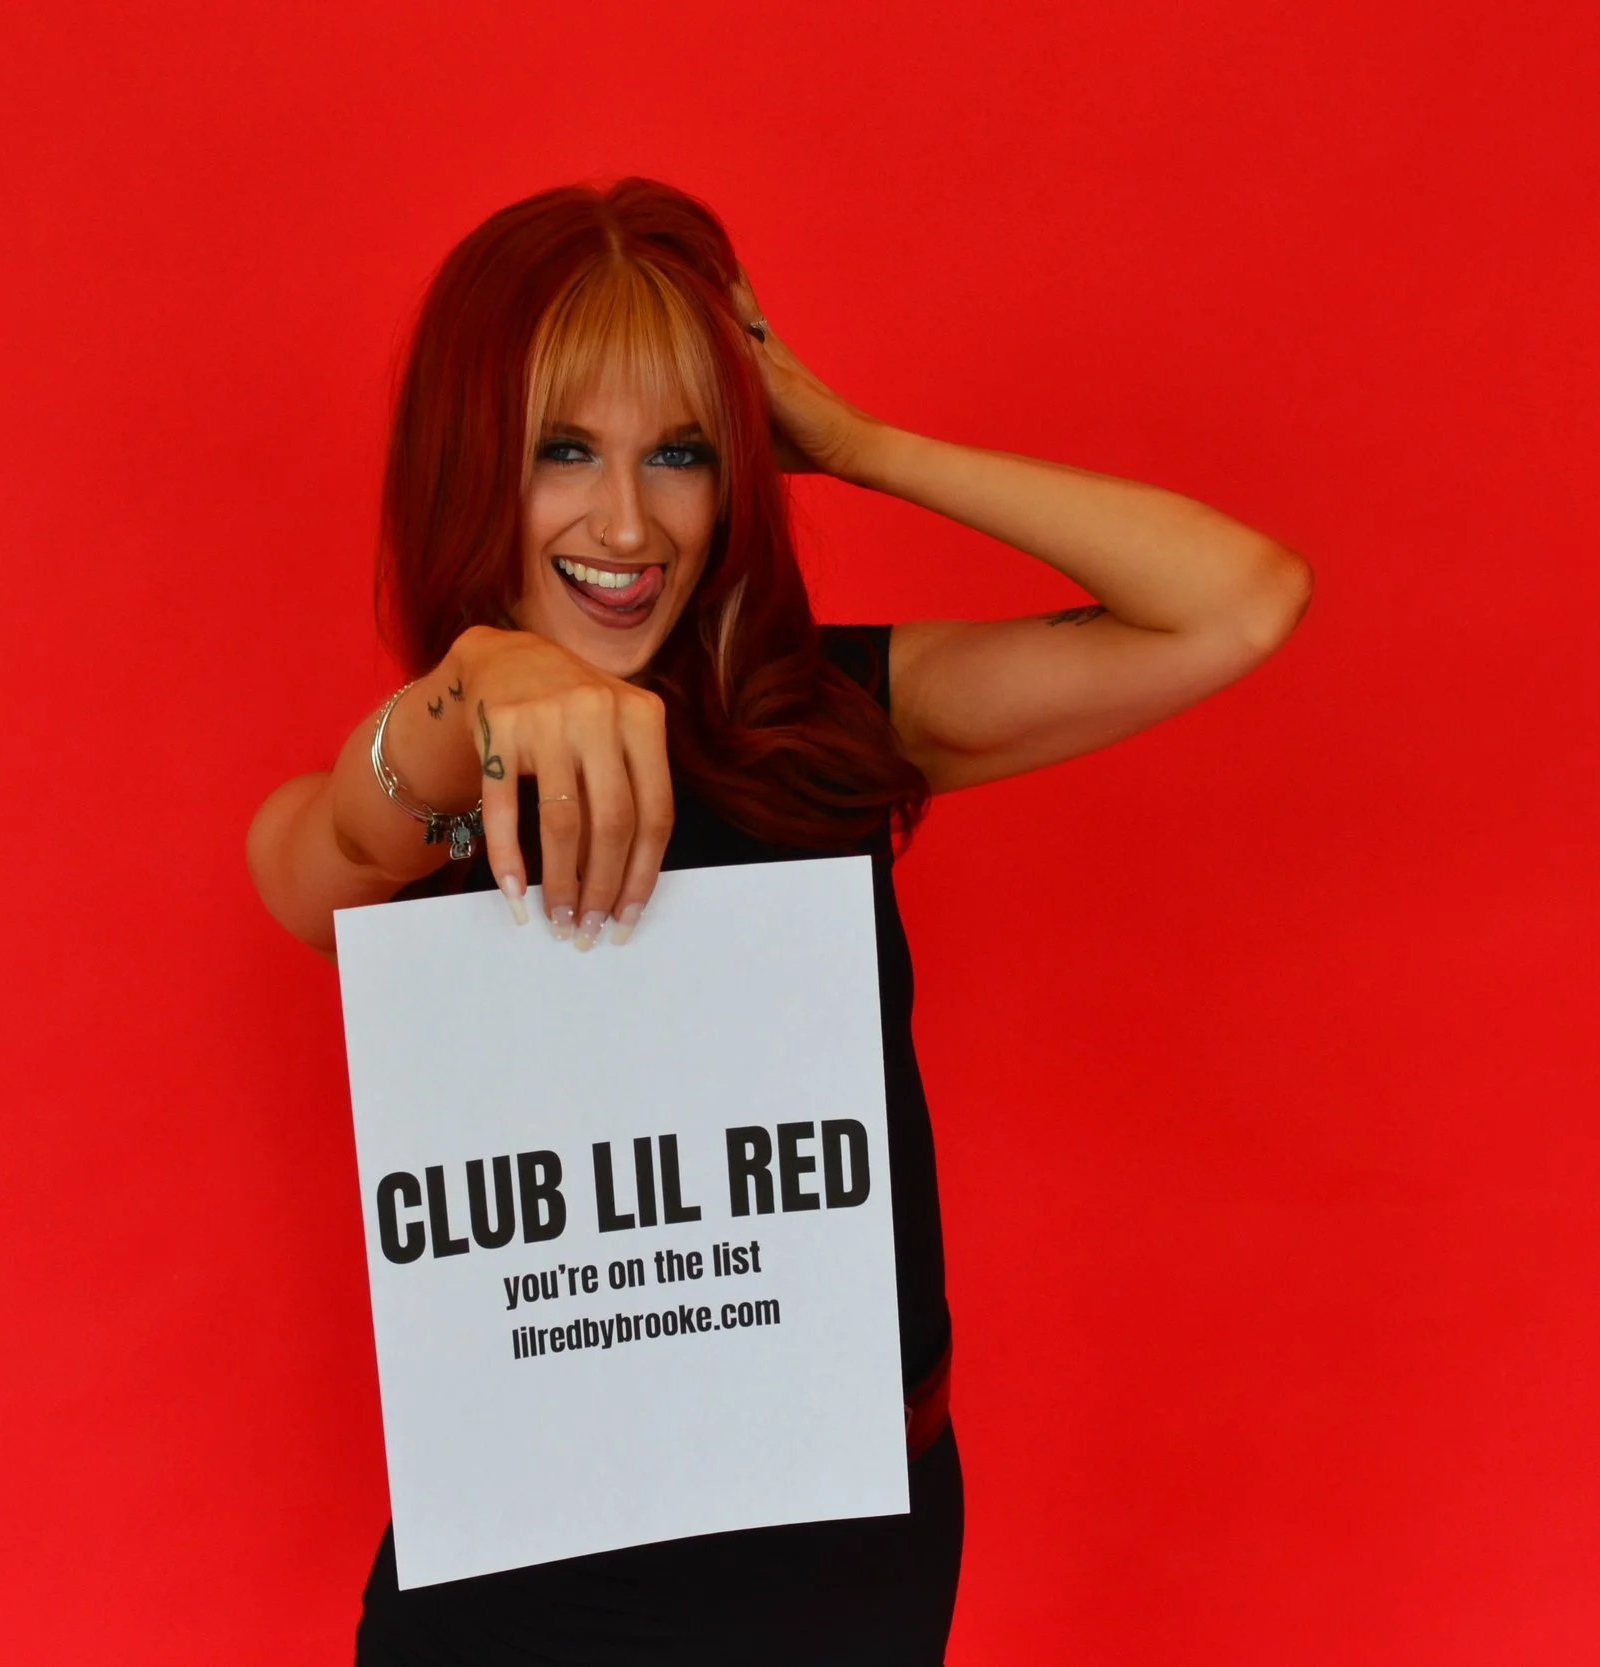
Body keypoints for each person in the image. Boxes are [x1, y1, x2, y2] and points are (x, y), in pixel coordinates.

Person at [244, 177, 1311, 1666]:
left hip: (842, 1548)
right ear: (469, 458)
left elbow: (1239, 601)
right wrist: (480, 680)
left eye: (681, 451)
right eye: (564, 450)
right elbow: (301, 864)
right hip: (533, 1559)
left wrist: (856, 443)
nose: (629, 522)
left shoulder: (832, 717)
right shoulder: (433, 770)